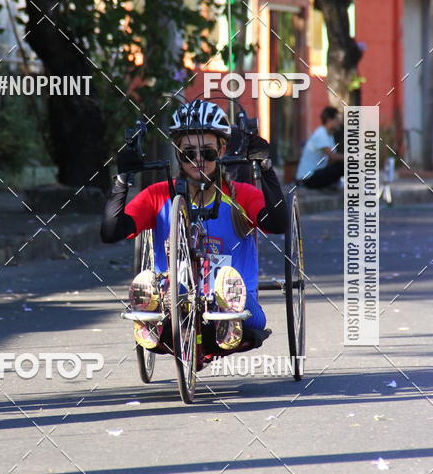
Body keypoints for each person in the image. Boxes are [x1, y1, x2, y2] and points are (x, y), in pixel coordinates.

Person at [101, 100, 287, 356]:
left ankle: (225, 303)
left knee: (252, 318)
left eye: (207, 153)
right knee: (174, 295)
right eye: (189, 154)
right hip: (175, 301)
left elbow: (277, 224)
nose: (198, 161)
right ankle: (149, 303)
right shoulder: (158, 195)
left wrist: (266, 168)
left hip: (235, 302)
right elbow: (111, 232)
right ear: (178, 153)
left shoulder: (242, 195)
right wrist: (122, 179)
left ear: (222, 151)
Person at [296, 106, 344, 189]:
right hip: (308, 178)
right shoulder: (321, 133)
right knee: (345, 165)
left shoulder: (329, 135)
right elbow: (332, 156)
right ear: (329, 120)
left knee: (342, 165)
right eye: (337, 119)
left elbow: (331, 160)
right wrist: (352, 157)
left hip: (316, 173)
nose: (339, 122)